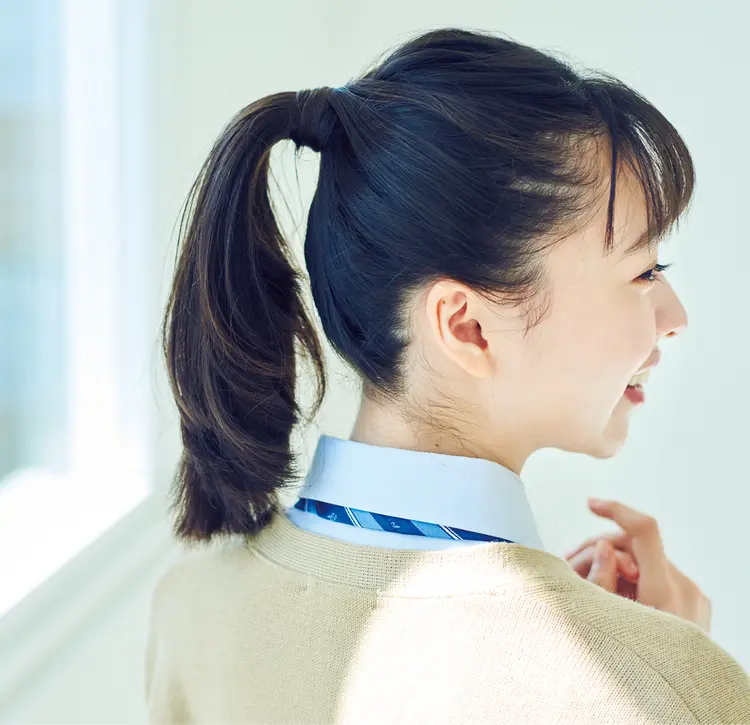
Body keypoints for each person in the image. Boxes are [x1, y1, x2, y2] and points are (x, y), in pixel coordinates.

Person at [145, 27, 750, 724]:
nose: (673, 316)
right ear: (466, 326)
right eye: (644, 272)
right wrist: (666, 668)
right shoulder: (656, 684)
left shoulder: (188, 610)